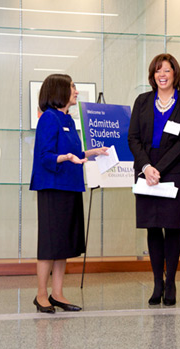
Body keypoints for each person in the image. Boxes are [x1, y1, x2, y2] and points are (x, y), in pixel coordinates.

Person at [30, 73, 108, 313]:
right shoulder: (49, 118)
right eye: (73, 87)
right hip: (53, 187)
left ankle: (58, 293)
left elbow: (75, 153)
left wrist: (94, 152)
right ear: (60, 91)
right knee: (49, 245)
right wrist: (65, 157)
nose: (76, 91)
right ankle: (41, 295)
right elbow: (45, 156)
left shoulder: (68, 120)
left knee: (63, 244)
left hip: (71, 186)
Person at [128, 53, 180, 306]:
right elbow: (132, 138)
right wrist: (147, 167)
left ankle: (171, 283)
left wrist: (159, 168)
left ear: (175, 74)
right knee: (153, 226)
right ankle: (157, 281)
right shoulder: (143, 101)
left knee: (172, 226)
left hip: (175, 171)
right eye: (158, 70)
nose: (162, 75)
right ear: (152, 75)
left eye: (167, 70)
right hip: (146, 169)